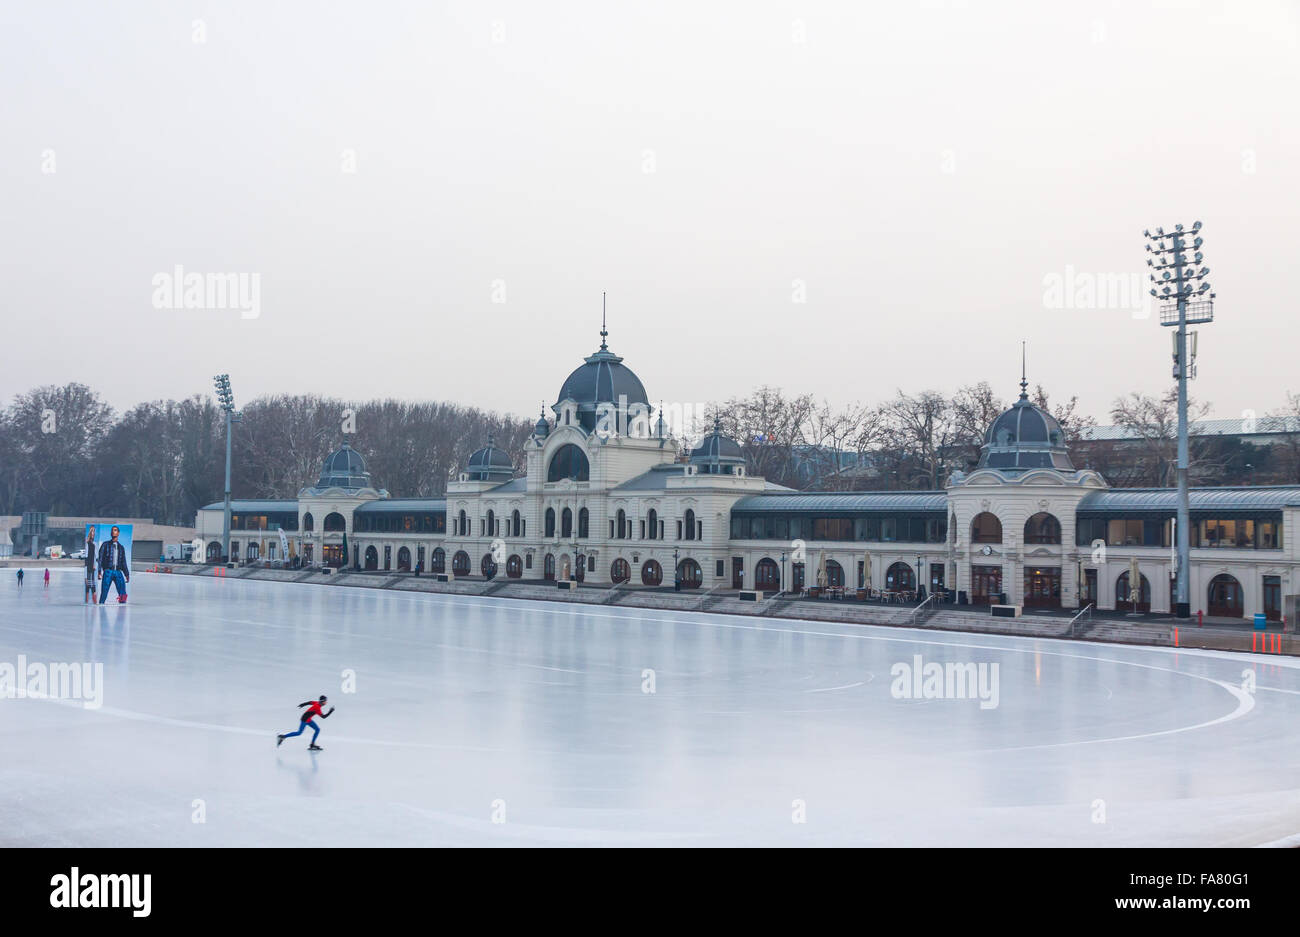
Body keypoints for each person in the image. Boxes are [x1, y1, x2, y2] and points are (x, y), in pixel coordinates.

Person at [97, 525, 130, 604]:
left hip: (118, 572)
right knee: (104, 591)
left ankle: (122, 610)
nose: (113, 531)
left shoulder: (121, 547)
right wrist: (99, 571)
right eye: (112, 530)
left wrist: (126, 574)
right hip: (108, 571)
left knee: (123, 593)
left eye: (115, 530)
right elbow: (100, 559)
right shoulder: (105, 545)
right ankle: (101, 605)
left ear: (118, 533)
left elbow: (123, 562)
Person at [84, 528, 97, 604]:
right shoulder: (88, 543)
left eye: (94, 533)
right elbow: (86, 557)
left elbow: (95, 556)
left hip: (92, 566)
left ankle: (94, 601)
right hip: (89, 566)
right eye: (92, 533)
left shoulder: (94, 544)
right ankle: (87, 600)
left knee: (92, 583)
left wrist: (94, 565)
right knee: (88, 584)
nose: (93, 534)